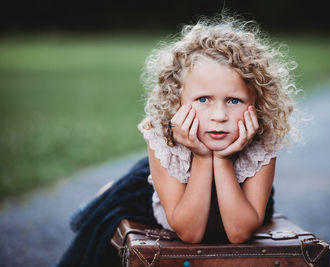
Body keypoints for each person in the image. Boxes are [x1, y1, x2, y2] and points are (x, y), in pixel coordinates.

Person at [56, 14, 299, 267]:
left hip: (239, 203)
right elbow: (190, 233)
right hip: (162, 191)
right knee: (114, 206)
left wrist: (223, 160)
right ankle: (101, 198)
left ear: (256, 105)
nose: (219, 116)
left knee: (125, 190)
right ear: (176, 101)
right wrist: (203, 157)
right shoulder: (163, 136)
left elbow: (238, 232)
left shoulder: (262, 139)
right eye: (203, 99)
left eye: (234, 100)